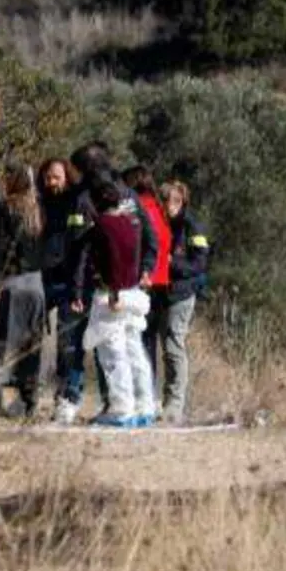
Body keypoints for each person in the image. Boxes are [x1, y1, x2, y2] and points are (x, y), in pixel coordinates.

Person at [56, 141, 158, 420]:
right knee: (130, 346)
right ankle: (140, 404)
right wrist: (146, 269)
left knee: (98, 347)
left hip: (98, 285)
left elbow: (77, 248)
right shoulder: (129, 195)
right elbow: (149, 236)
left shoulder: (84, 198)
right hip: (129, 285)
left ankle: (89, 402)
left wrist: (75, 289)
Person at [0, 161, 48, 418]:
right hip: (36, 284)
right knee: (30, 344)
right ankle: (29, 399)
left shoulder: (3, 209)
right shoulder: (39, 211)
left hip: (11, 283)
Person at [156, 178, 210, 425]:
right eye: (165, 200)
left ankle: (175, 405)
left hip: (182, 294)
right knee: (165, 349)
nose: (169, 206)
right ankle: (165, 402)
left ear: (182, 202)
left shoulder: (192, 227)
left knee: (173, 346)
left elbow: (199, 264)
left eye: (174, 201)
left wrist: (172, 263)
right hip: (160, 293)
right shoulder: (157, 223)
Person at [36, 157, 82, 424]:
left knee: (68, 342)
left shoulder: (76, 202)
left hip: (69, 281)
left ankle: (67, 396)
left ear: (67, 177)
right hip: (42, 278)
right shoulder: (39, 205)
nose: (51, 182)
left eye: (56, 177)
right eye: (48, 177)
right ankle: (30, 394)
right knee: (32, 338)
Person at [122, 165, 173, 389]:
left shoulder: (136, 208)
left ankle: (143, 391)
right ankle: (148, 390)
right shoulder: (159, 209)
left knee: (138, 339)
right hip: (161, 282)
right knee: (148, 339)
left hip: (142, 280)